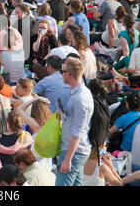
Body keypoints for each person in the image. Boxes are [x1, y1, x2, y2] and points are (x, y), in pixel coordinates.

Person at [56, 57, 94, 186]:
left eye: (62, 71)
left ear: (68, 74)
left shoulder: (80, 98)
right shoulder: (79, 93)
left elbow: (78, 131)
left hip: (74, 151)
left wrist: (68, 159)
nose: (61, 74)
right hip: (76, 150)